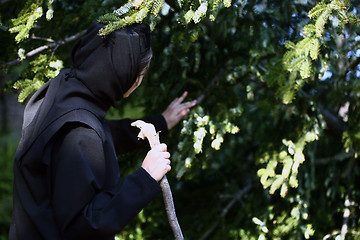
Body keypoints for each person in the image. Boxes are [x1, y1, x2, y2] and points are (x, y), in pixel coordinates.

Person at [9, 22, 196, 239]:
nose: (139, 81)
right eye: (140, 74)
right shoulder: (80, 132)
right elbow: (83, 228)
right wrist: (145, 178)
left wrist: (160, 122)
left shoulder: (66, 90)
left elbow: (101, 137)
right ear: (123, 73)